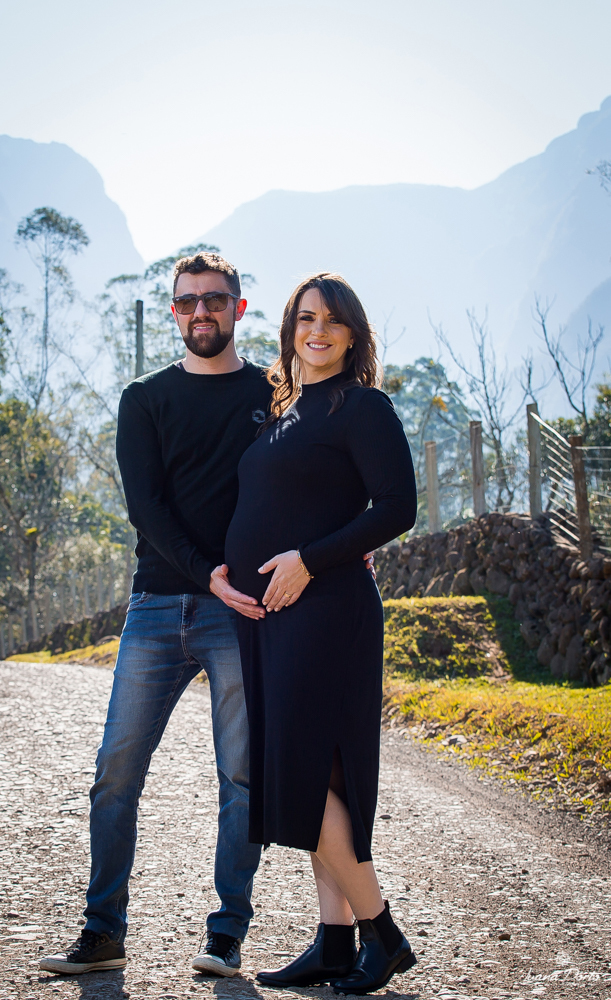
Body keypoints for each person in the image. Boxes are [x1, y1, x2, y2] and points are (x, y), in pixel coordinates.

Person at [40, 252, 273, 978]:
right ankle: (103, 931)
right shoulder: (144, 398)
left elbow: (314, 477)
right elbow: (146, 509)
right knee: (115, 773)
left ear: (238, 307)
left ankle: (226, 932)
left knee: (241, 778)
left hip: (241, 615)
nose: (199, 312)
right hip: (155, 606)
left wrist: (342, 546)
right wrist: (207, 572)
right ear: (172, 312)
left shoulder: (274, 392)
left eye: (213, 300)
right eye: (185, 303)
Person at [224, 273, 418, 995]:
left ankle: (382, 933)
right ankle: (334, 942)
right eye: (306, 318)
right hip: (274, 619)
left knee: (305, 776)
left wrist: (308, 559)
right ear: (288, 328)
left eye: (333, 321)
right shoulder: (283, 411)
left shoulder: (360, 407)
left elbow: (398, 506)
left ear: (353, 335)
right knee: (321, 776)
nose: (317, 331)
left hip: (327, 611)